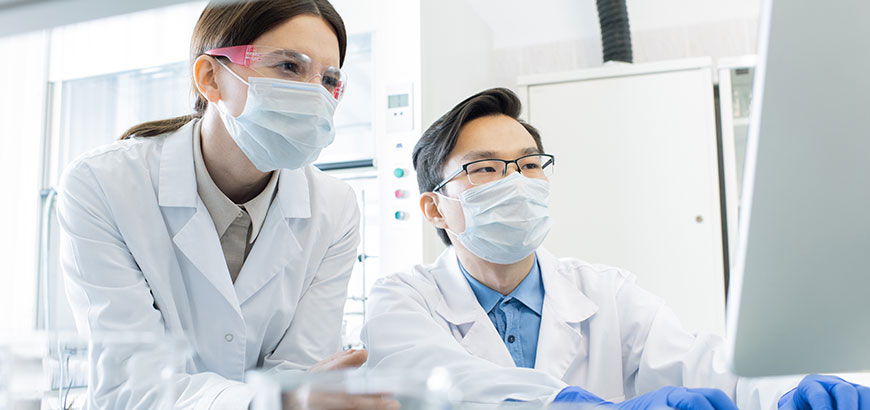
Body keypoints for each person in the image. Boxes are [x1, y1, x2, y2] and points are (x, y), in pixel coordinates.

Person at [360, 88, 870, 410]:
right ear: (434, 208)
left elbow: (703, 365)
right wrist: (564, 404)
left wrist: (787, 391)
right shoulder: (401, 301)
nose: (516, 182)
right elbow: (446, 383)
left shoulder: (605, 292)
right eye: (485, 168)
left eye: (530, 164)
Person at [56, 1, 391, 409]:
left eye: (328, 79)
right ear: (211, 77)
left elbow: (302, 372)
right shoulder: (103, 185)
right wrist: (271, 401)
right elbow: (131, 387)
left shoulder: (334, 208)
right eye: (289, 66)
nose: (314, 93)